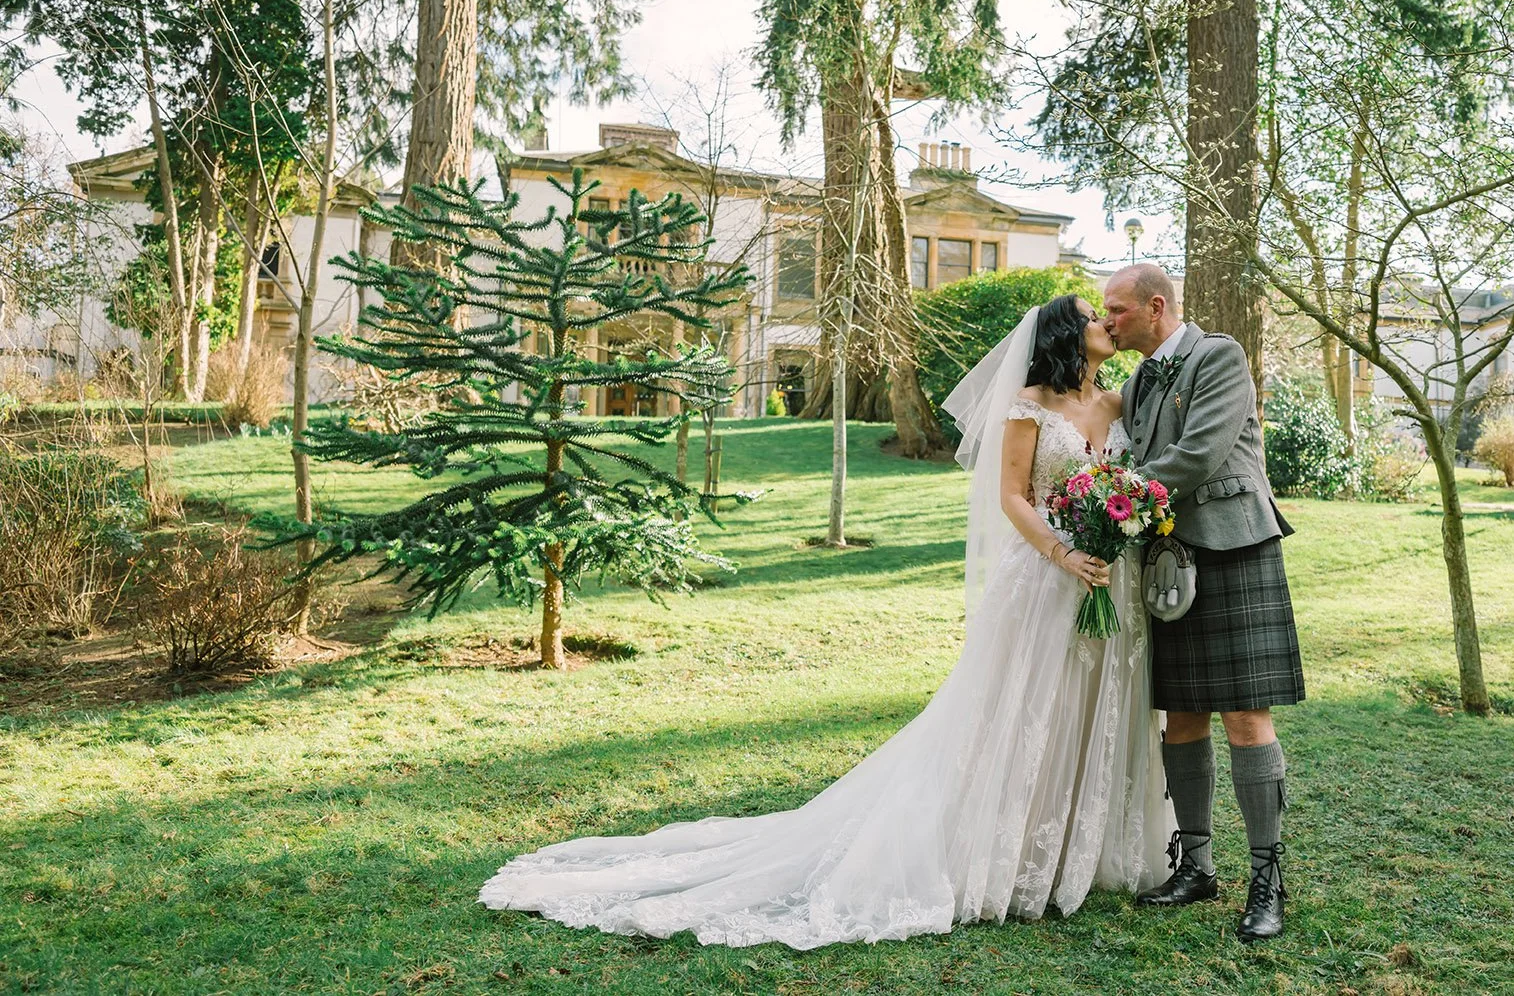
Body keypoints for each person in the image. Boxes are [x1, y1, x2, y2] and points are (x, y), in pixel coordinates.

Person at [477, 295, 1172, 949]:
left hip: (1108, 576)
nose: (1105, 321)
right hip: (1045, 576)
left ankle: (1072, 849)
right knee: (1020, 709)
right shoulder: (1028, 406)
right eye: (1091, 316)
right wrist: (1060, 551)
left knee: (1086, 708)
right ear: (1061, 334)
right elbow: (1013, 498)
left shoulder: (1115, 402)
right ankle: (1003, 851)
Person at [1102, 263, 1306, 943]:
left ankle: (1267, 878)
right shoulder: (1135, 382)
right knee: (1181, 716)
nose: (1108, 322)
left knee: (1246, 719)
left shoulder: (1219, 355)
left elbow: (1198, 455)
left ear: (1155, 307)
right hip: (1168, 559)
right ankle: (1196, 866)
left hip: (1234, 548)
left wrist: (1109, 501)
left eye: (1117, 311)